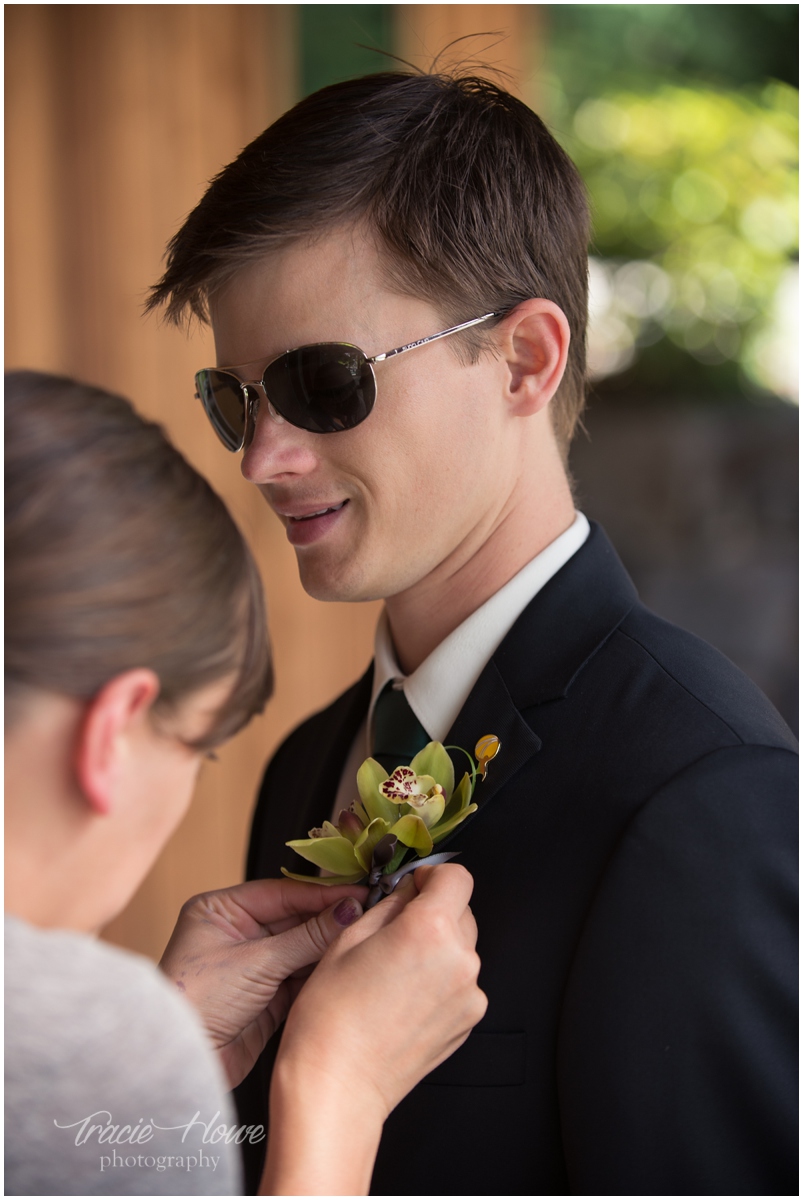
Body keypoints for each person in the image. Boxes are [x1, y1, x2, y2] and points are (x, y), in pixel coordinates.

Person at [147, 71, 798, 1195]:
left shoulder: (703, 796)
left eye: (321, 382)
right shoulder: (308, 766)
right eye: (236, 399)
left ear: (524, 361)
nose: (261, 458)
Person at [4, 369, 487, 1197]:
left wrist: (172, 1045)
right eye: (198, 746)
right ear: (113, 733)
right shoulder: (80, 1047)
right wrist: (337, 1088)